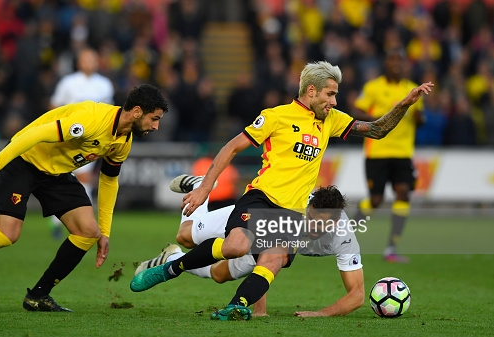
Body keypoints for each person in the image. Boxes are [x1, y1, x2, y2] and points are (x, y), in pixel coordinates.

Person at [130, 60, 433, 320]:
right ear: (311, 91)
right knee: (234, 247)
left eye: (336, 96)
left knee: (272, 260)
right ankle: (172, 268)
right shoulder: (275, 116)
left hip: (291, 212)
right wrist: (205, 187)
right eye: (330, 94)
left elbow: (377, 130)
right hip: (261, 197)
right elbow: (232, 147)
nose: (335, 102)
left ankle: (237, 307)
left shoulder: (330, 120)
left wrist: (404, 104)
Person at [0, 84, 168, 312]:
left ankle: (38, 296)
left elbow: (109, 180)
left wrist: (105, 231)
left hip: (56, 173)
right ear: (136, 112)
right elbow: (34, 135)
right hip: (24, 160)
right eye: (154, 119)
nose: (156, 126)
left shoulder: (123, 140)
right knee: (6, 235)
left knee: (88, 232)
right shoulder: (92, 119)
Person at [135, 176, 364, 318]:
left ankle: (172, 257)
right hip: (256, 215)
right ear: (308, 208)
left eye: (323, 225)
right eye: (312, 220)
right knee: (186, 235)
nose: (315, 228)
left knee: (219, 274)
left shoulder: (343, 235)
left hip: (273, 238)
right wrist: (258, 308)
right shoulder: (291, 209)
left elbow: (357, 295)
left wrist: (320, 314)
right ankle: (200, 186)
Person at [351, 48, 425, 263]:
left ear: (404, 64)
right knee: (376, 199)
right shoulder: (373, 88)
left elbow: (420, 121)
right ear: (386, 63)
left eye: (399, 60)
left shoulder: (412, 89)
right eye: (392, 59)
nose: (396, 63)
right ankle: (346, 236)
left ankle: (391, 247)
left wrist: (419, 115)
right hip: (378, 151)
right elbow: (356, 110)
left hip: (402, 152)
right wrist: (378, 119)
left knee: (403, 193)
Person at [48, 48, 115, 239]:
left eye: (93, 59)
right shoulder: (68, 82)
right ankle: (56, 222)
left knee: (85, 179)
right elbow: (54, 106)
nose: (89, 63)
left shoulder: (104, 84)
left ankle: (86, 222)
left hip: (91, 140)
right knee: (61, 179)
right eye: (86, 60)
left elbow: (109, 113)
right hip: (68, 138)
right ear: (79, 62)